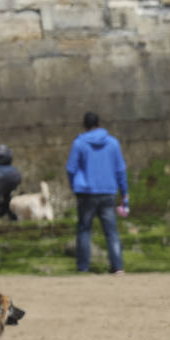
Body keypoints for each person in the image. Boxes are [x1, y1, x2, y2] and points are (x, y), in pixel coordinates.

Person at [65, 111, 129, 274]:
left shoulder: (79, 143)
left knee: (84, 229)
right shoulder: (113, 143)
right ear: (99, 123)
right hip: (108, 191)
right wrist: (124, 192)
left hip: (86, 192)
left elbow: (71, 168)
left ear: (84, 125)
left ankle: (83, 267)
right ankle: (118, 266)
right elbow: (120, 169)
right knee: (111, 231)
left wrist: (75, 186)